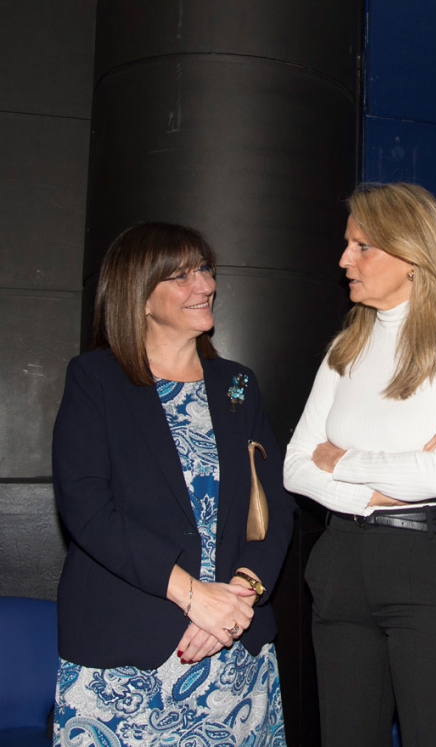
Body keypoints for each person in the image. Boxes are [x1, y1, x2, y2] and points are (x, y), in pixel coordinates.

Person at [52, 222, 296, 745]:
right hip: (127, 655)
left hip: (233, 650)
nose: (204, 285)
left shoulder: (237, 383)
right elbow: (87, 509)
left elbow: (275, 507)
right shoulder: (95, 379)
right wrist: (194, 597)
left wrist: (235, 600)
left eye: (204, 269)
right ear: (138, 296)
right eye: (181, 275)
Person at [283, 182, 436, 747]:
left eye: (363, 247)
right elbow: (295, 467)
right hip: (340, 565)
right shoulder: (342, 350)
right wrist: (372, 494)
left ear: (413, 257)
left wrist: (343, 459)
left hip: (431, 570)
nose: (344, 260)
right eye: (347, 244)